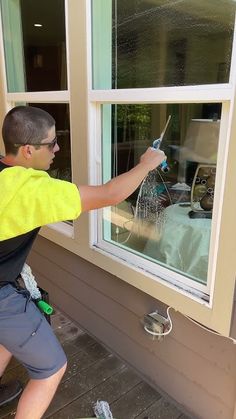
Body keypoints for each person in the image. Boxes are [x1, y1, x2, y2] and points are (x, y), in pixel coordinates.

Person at [0, 105, 166, 419]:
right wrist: (146, 163)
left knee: (7, 336)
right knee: (51, 368)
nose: (57, 149)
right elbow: (109, 195)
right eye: (51, 144)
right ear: (26, 150)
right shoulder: (31, 190)